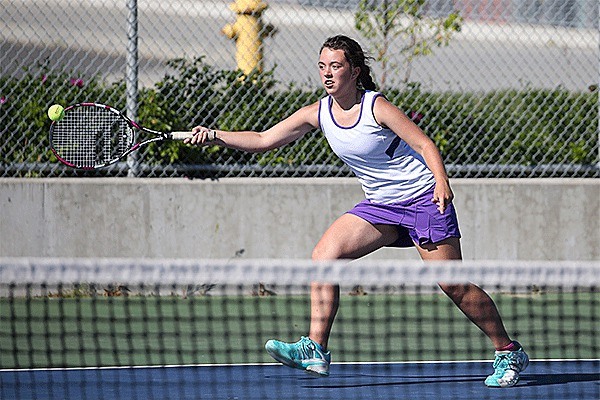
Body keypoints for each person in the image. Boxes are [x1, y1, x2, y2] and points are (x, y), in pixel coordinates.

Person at [186, 34, 529, 388]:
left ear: (355, 71)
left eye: (336, 66)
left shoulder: (376, 107)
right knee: (325, 255)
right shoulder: (317, 113)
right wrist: (215, 136)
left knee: (453, 284)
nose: (327, 74)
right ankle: (315, 349)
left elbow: (423, 143)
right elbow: (262, 140)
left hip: (423, 199)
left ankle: (507, 350)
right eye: (322, 66)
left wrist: (441, 181)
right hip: (380, 205)